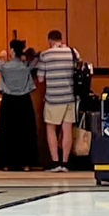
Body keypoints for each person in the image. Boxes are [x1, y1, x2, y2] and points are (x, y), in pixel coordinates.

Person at [0, 37, 40, 171]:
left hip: (8, 101)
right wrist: (27, 54)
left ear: (11, 51)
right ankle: (26, 164)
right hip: (24, 101)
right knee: (25, 132)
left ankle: (6, 163)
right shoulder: (26, 66)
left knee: (7, 132)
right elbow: (38, 57)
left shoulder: (5, 66)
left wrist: (0, 55)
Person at [34, 29, 81, 172]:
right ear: (61, 39)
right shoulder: (72, 52)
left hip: (53, 98)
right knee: (67, 129)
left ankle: (55, 162)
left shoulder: (45, 55)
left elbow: (41, 79)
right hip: (69, 97)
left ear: (49, 40)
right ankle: (65, 163)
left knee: (51, 128)